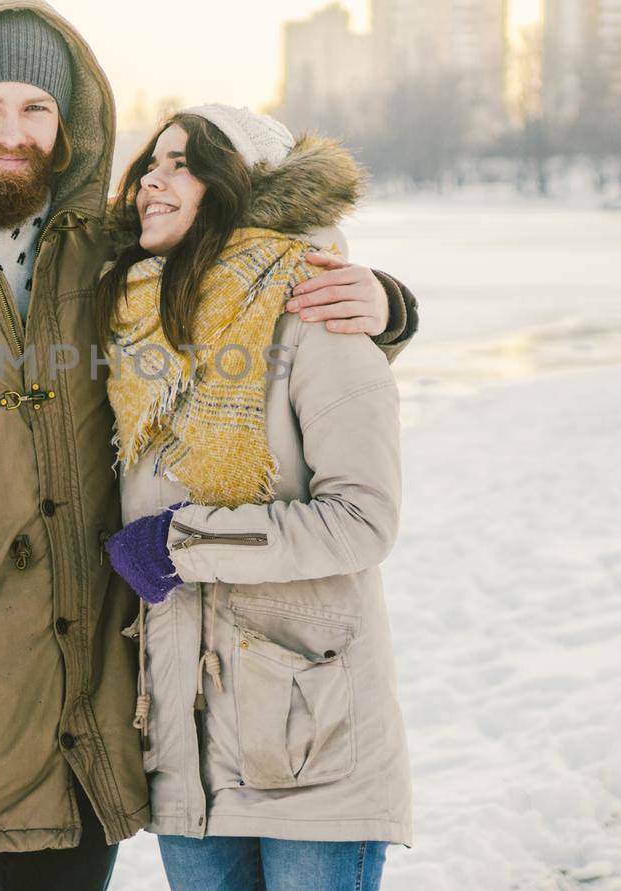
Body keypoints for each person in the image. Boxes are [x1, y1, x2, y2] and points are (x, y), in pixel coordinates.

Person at [0, 0, 420, 891]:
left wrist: (387, 305)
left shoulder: (120, 257)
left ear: (69, 124)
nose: (9, 131)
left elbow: (255, 274)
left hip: (80, 743)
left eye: (35, 107)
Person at [100, 106, 412, 891]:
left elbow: (363, 519)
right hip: (183, 744)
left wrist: (180, 543)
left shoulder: (317, 310)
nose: (151, 181)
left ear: (241, 187)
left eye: (183, 163)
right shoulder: (131, 321)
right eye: (150, 162)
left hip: (310, 733)